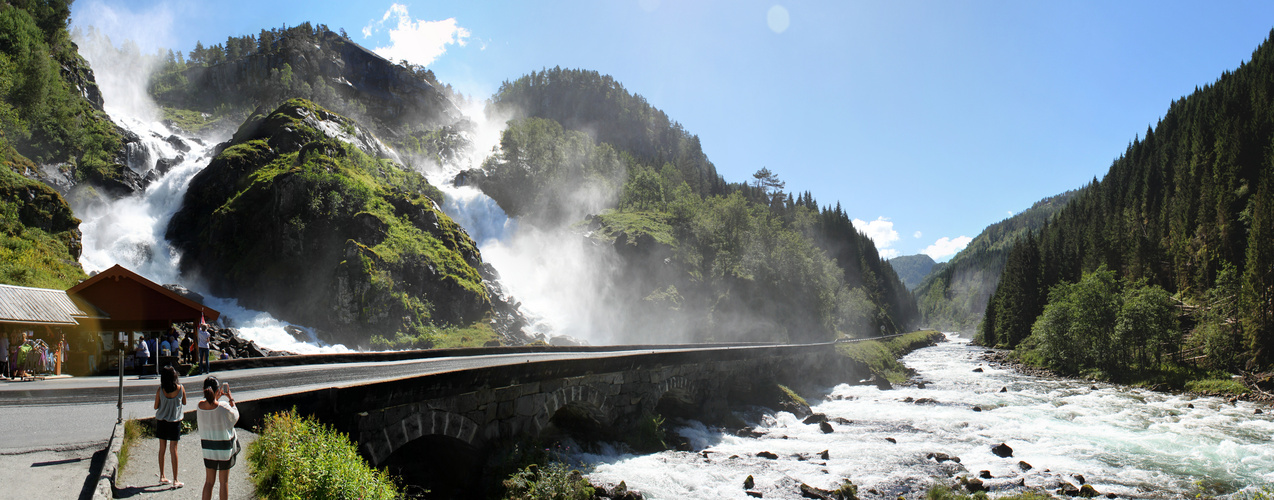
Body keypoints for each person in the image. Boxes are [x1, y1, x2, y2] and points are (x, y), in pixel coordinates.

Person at [197, 376, 238, 500]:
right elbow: (235, 417)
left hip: (208, 449)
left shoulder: (199, 406)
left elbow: (211, 408)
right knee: (223, 482)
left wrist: (215, 398)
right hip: (223, 448)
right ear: (217, 391)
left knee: (209, 482)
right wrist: (231, 399)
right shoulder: (223, 406)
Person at [153, 365, 186, 488]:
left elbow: (156, 406)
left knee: (162, 449)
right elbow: (184, 402)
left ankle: (162, 476)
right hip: (175, 421)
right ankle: (175, 479)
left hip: (162, 421)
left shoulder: (160, 390)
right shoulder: (181, 388)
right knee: (174, 450)